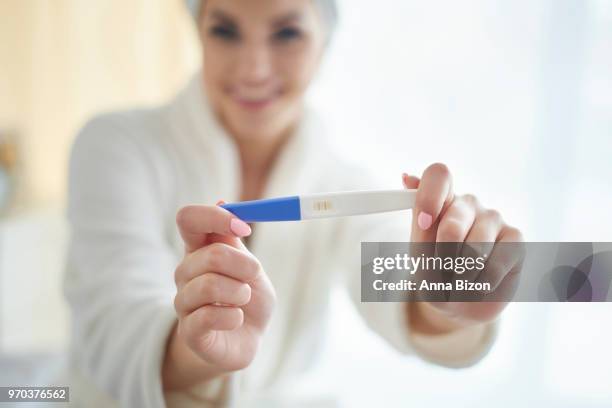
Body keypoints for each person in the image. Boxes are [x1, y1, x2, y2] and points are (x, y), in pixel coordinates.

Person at [64, 0, 524, 406]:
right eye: (225, 30)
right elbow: (113, 315)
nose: (254, 69)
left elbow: (391, 273)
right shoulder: (115, 145)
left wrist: (446, 303)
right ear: (198, 32)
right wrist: (197, 351)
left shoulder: (347, 184)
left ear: (325, 44)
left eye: (287, 33)